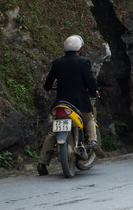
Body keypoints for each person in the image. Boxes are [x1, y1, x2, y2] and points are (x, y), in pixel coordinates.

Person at [37, 35, 105, 175]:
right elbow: (91, 82)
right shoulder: (84, 62)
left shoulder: (57, 63)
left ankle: (42, 164)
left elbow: (49, 81)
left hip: (61, 104)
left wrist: (48, 88)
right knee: (89, 119)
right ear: (79, 49)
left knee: (53, 133)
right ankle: (93, 141)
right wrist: (93, 92)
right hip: (80, 104)